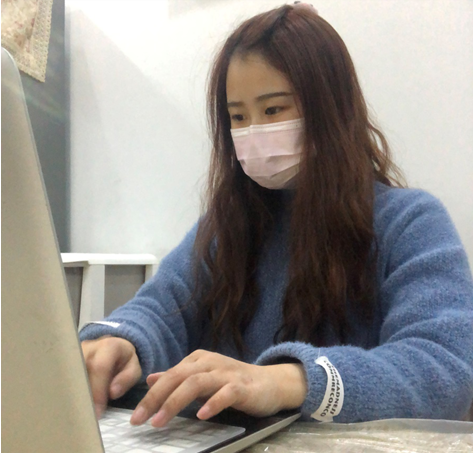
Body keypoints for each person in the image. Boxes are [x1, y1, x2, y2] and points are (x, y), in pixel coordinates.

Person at [80, 3, 473, 427]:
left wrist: (289, 381)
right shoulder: (226, 226)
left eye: (272, 110)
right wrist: (119, 340)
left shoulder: (410, 222)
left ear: (329, 109)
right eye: (237, 116)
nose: (252, 131)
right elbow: (160, 307)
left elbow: (446, 364)